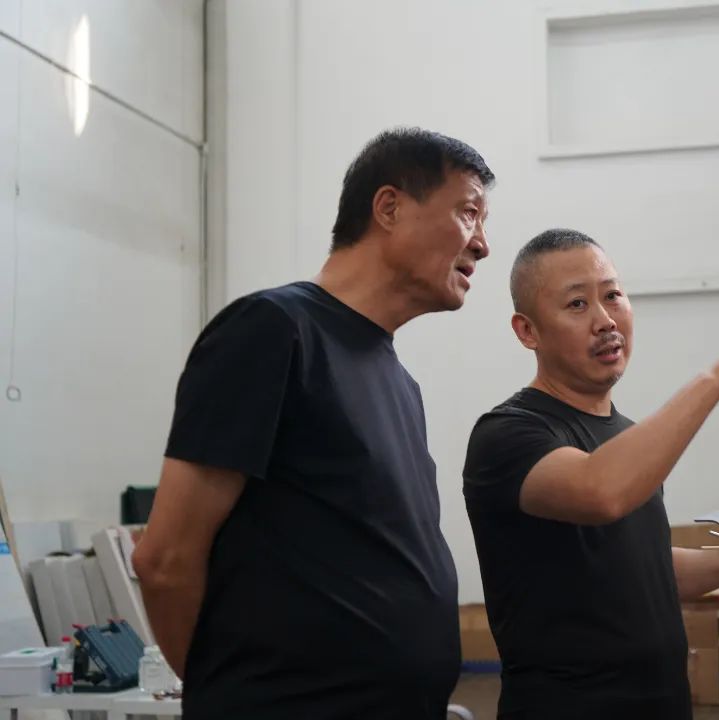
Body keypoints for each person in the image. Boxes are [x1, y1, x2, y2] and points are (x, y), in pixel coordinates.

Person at [132, 128, 494, 719]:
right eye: (469, 212)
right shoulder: (273, 330)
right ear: (389, 207)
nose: (482, 244)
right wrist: (226, 691)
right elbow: (165, 560)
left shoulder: (399, 382)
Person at [463, 229, 719, 719]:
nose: (605, 320)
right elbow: (600, 492)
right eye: (577, 304)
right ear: (528, 331)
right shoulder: (507, 435)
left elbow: (648, 568)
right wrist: (714, 381)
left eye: (613, 296)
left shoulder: (625, 436)